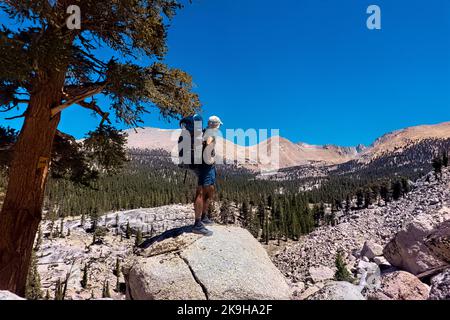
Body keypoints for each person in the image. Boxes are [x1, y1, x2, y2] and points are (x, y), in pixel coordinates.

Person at [191, 115, 223, 236]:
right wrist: (209, 159)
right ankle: (197, 224)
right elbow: (208, 144)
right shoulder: (210, 133)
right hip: (206, 166)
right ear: (216, 125)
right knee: (201, 192)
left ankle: (204, 217)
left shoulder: (205, 132)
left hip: (205, 165)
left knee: (209, 190)